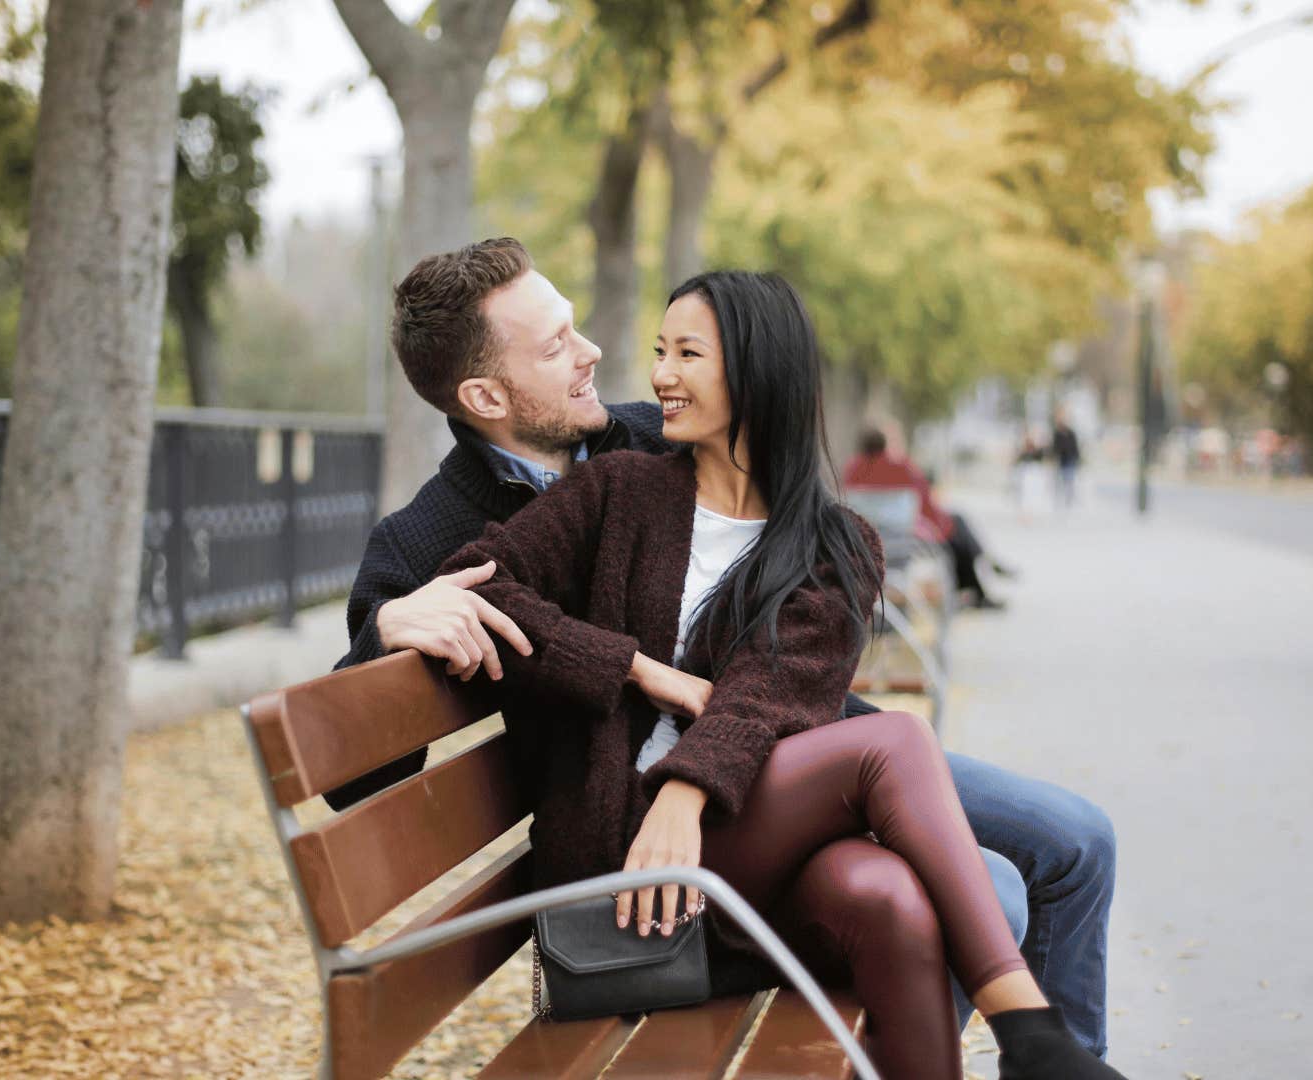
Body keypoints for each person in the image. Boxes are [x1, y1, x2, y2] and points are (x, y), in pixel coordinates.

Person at [333, 240, 1117, 1066]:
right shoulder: (429, 538)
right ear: (485, 393)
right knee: (981, 885)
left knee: (1076, 841)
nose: (598, 354)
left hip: (797, 738)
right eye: (557, 344)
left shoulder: (648, 434)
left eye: (578, 328)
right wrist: (385, 628)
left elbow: (797, 577)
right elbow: (354, 770)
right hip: (652, 814)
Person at [843, 426, 1010, 610]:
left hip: (867, 542)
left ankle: (983, 567)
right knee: (958, 529)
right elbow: (926, 505)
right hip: (905, 541)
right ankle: (983, 569)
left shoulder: (852, 469)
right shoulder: (900, 467)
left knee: (958, 529)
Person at [1050, 411, 1082, 508]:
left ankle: (1069, 499)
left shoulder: (1071, 433)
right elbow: (1054, 447)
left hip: (1070, 459)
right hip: (1061, 460)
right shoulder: (1057, 434)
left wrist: (1077, 458)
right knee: (1060, 480)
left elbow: (1075, 447)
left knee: (1069, 479)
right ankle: (1061, 499)